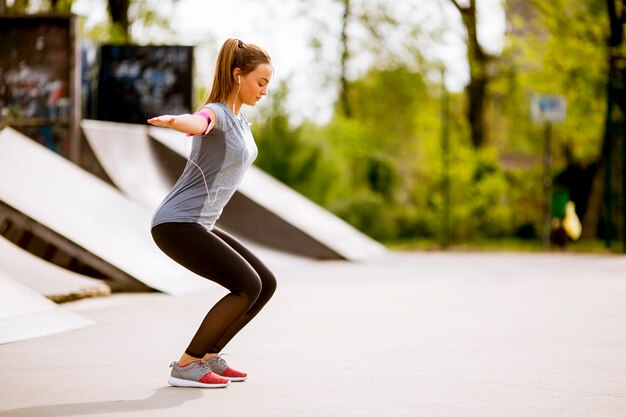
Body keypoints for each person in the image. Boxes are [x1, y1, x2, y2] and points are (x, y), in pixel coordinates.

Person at [147, 38, 276, 388]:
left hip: (199, 223)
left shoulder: (240, 121)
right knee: (246, 285)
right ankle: (187, 365)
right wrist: (177, 122)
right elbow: (198, 121)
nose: (264, 91)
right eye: (260, 82)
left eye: (268, 84)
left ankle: (207, 359)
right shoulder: (217, 112)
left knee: (265, 285)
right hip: (177, 223)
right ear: (238, 75)